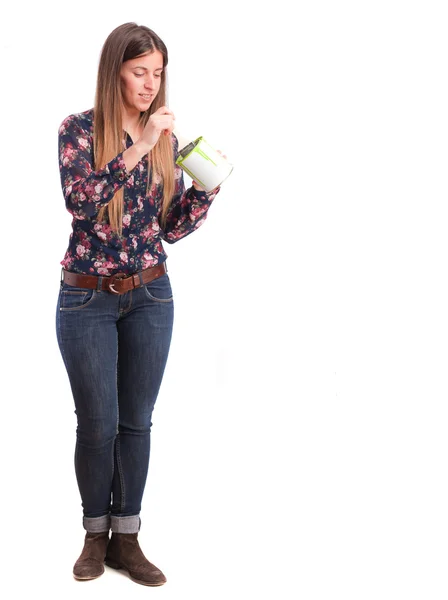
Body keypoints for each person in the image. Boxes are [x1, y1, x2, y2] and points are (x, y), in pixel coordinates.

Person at [56, 22, 221, 586]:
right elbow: (82, 204)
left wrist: (204, 190)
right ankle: (93, 535)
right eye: (139, 72)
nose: (151, 85)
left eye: (158, 73)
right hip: (87, 299)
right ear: (115, 72)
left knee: (137, 424)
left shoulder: (165, 140)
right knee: (96, 424)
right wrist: (145, 144)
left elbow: (169, 228)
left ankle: (127, 538)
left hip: (151, 294)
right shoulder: (79, 131)